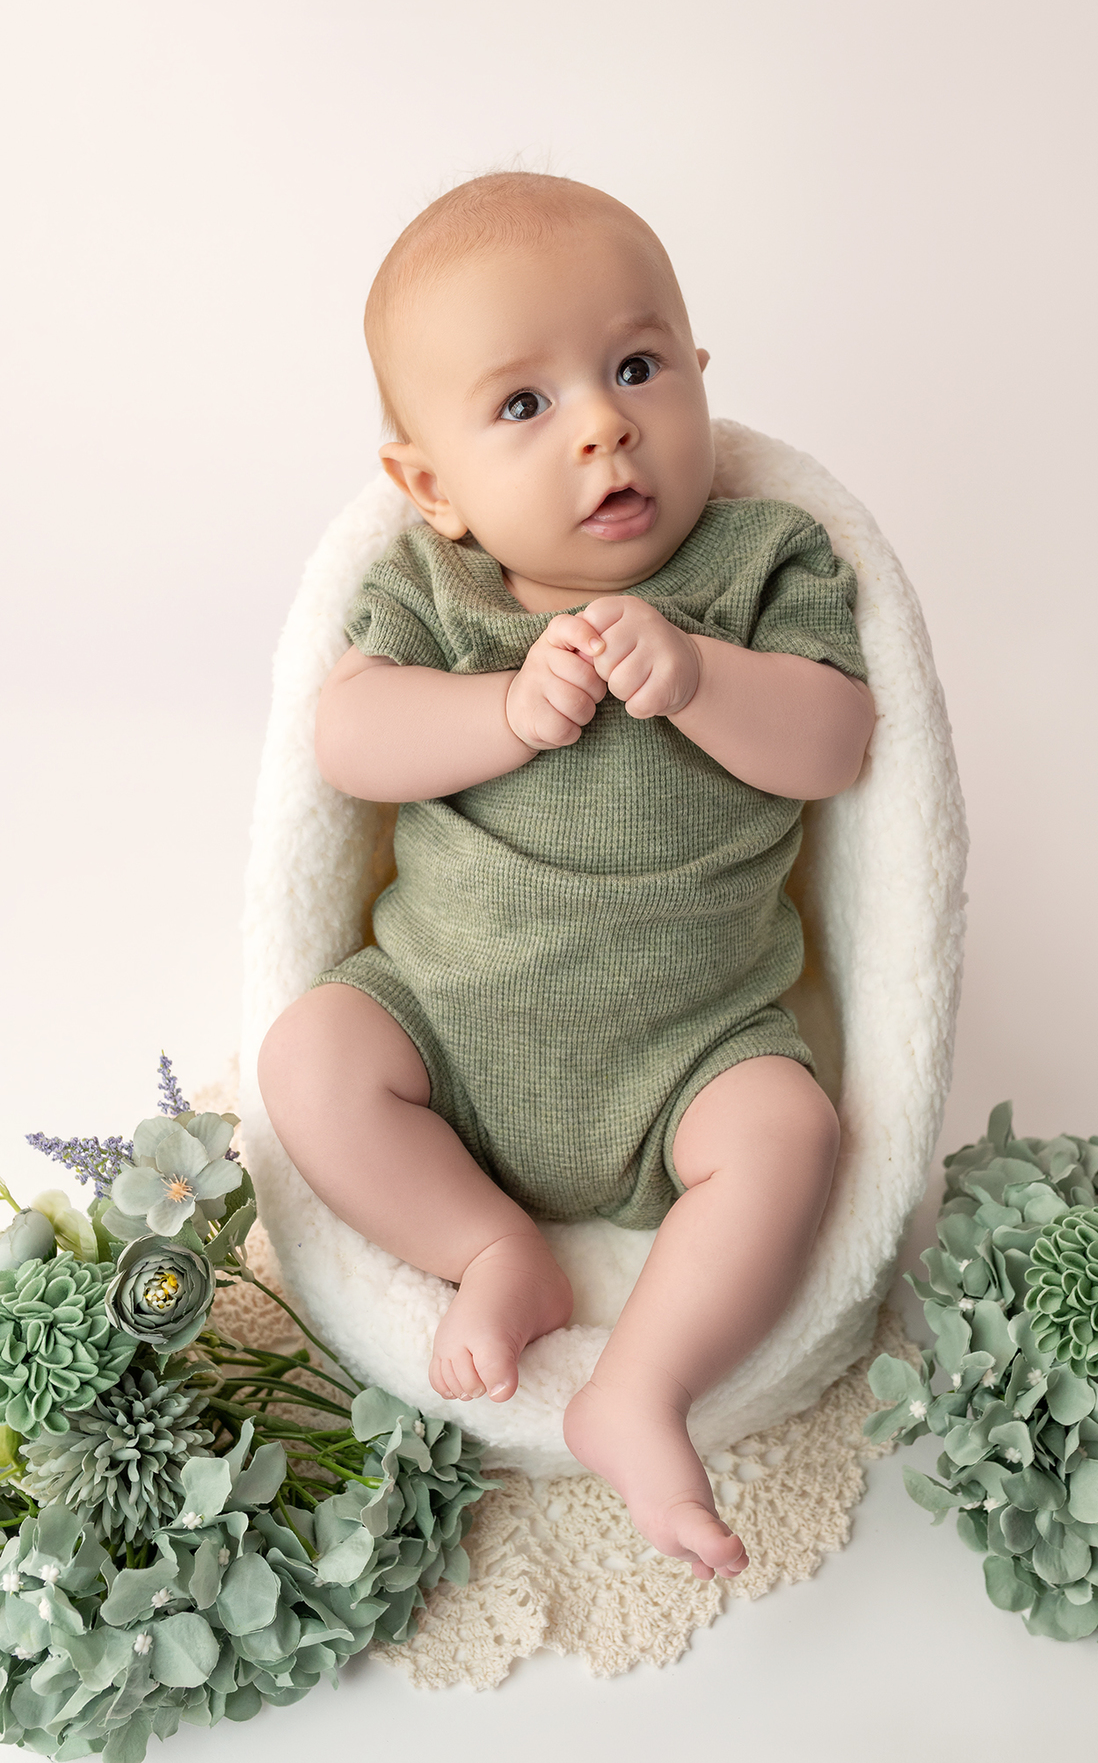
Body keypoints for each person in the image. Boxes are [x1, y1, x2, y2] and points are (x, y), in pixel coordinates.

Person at [258, 172, 875, 1581]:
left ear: (698, 375)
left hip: (689, 1054)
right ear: (433, 486)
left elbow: (836, 744)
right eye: (525, 404)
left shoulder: (758, 564)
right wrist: (501, 710)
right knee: (311, 1061)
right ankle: (490, 1247)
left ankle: (637, 1389)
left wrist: (701, 675)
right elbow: (347, 737)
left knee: (790, 1136)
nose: (605, 425)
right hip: (443, 1028)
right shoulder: (438, 594)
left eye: (638, 368)